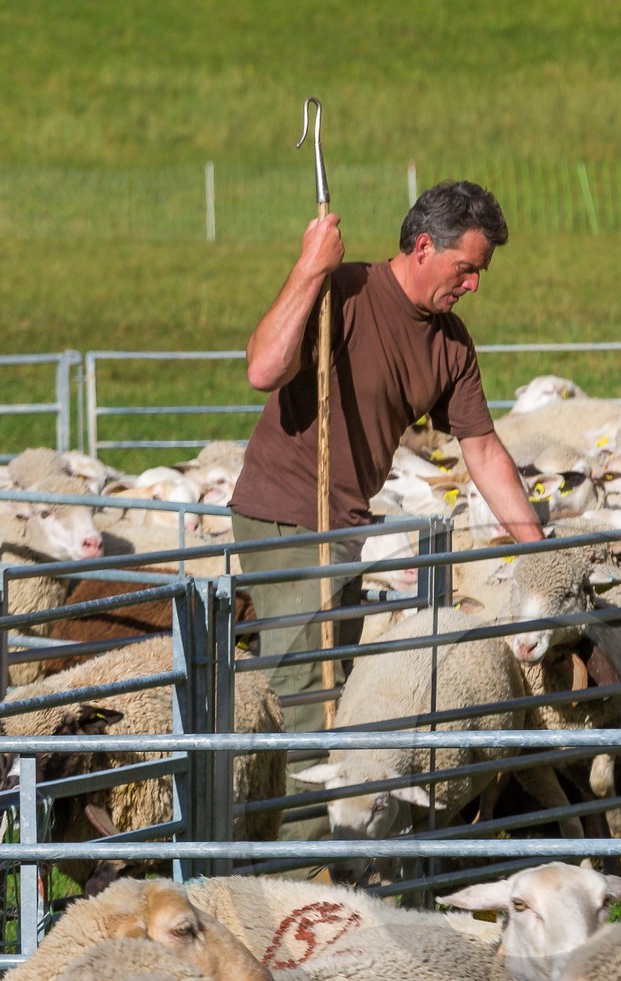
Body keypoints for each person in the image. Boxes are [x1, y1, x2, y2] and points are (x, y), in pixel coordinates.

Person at [229, 179, 543, 842]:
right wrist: (311, 266)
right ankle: (302, 883)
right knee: (312, 713)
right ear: (424, 246)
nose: (474, 285)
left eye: (480, 273)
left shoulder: (450, 344)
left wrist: (536, 549)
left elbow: (482, 450)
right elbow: (263, 367)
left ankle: (279, 855)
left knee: (326, 696)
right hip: (288, 516)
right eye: (466, 269)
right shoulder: (341, 291)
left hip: (342, 530)